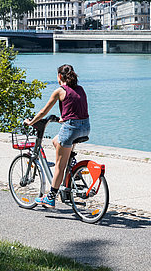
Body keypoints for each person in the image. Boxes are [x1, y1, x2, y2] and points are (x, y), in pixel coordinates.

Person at [25, 64, 90, 208]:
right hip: (85, 128)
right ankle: (73, 167)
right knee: (56, 140)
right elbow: (76, 109)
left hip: (71, 129)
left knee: (59, 166)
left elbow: (43, 111)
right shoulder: (80, 89)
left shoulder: (60, 91)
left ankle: (50, 197)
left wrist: (31, 122)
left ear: (60, 76)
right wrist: (64, 117)